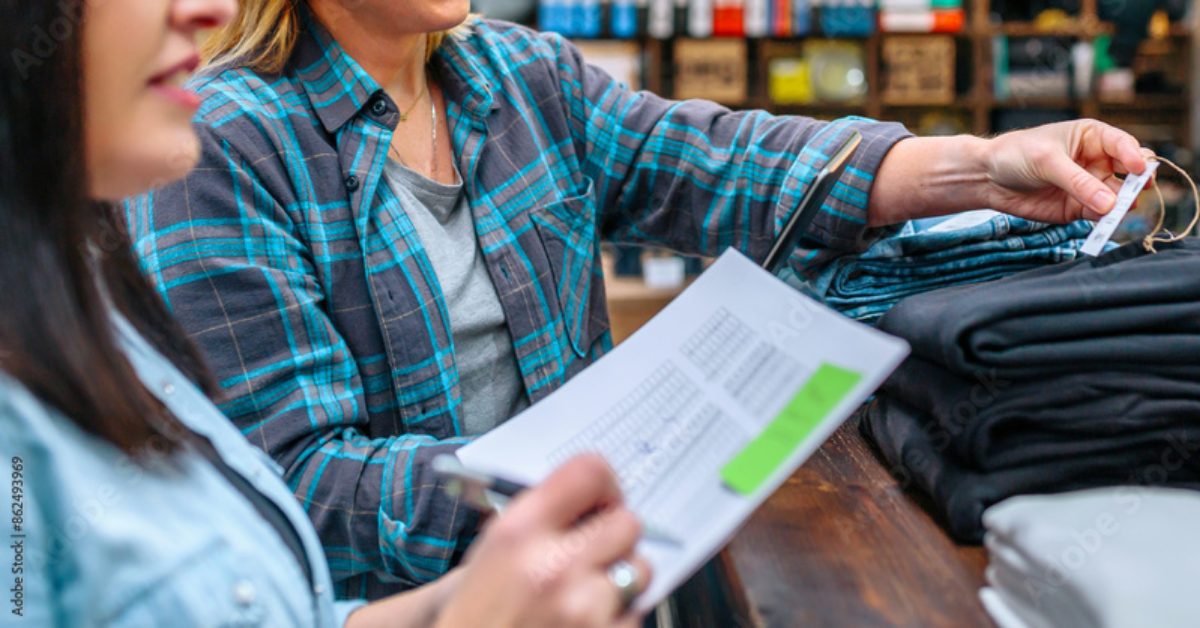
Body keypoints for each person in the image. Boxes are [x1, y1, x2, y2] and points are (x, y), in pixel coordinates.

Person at [124, 0, 1153, 598]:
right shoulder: (220, 146)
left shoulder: (516, 76)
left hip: (600, 582)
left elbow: (723, 162)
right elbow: (292, 481)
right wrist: (563, 485)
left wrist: (982, 166)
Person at [0, 0, 649, 625]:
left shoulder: (93, 320)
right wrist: (532, 490)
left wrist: (460, 606)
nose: (209, 10)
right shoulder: (224, 144)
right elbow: (303, 472)